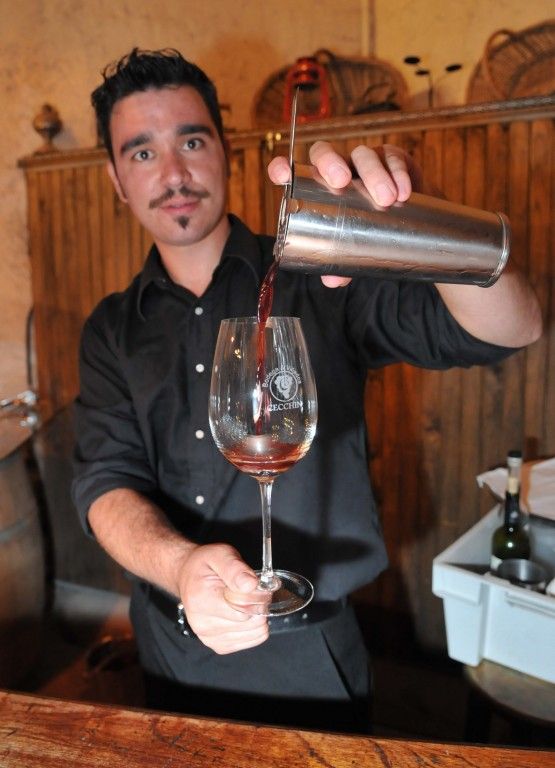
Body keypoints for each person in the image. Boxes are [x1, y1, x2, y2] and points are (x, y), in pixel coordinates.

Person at [72, 47, 542, 733]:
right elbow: (103, 483)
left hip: (312, 653)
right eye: (142, 153)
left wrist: (422, 221)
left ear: (225, 151)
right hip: (171, 644)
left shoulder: (323, 273)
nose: (173, 173)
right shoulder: (111, 328)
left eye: (191, 141)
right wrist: (180, 568)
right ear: (117, 179)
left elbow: (512, 328)